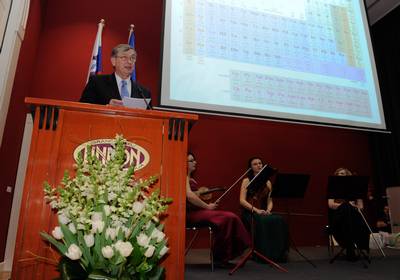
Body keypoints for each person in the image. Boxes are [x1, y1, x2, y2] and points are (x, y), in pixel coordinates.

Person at [186, 153, 250, 266]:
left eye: (194, 160)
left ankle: (221, 257)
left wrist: (207, 204)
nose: (195, 162)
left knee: (228, 218)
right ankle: (221, 258)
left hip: (197, 211)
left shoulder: (191, 179)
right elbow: (190, 196)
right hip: (189, 214)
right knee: (228, 217)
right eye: (191, 161)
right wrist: (207, 207)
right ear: (184, 163)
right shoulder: (184, 176)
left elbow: (194, 198)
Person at [239, 157, 289, 262]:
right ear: (250, 167)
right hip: (250, 211)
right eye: (255, 164)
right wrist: (257, 210)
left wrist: (268, 210)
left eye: (260, 163)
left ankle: (277, 254)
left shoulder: (268, 182)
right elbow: (242, 201)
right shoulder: (246, 180)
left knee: (279, 220)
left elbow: (270, 201)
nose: (258, 165)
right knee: (261, 221)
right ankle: (262, 253)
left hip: (263, 211)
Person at [80, 44, 151, 106]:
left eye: (132, 58)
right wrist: (106, 106)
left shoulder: (144, 93)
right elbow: (82, 108)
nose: (129, 62)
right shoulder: (96, 82)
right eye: (124, 57)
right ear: (113, 61)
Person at [328, 167, 370, 261]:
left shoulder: (355, 188)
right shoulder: (333, 188)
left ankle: (352, 248)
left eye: (345, 174)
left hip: (353, 215)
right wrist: (345, 205)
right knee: (346, 207)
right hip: (339, 216)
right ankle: (350, 247)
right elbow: (331, 205)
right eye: (341, 174)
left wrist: (352, 206)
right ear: (336, 176)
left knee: (350, 211)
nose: (343, 176)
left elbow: (361, 206)